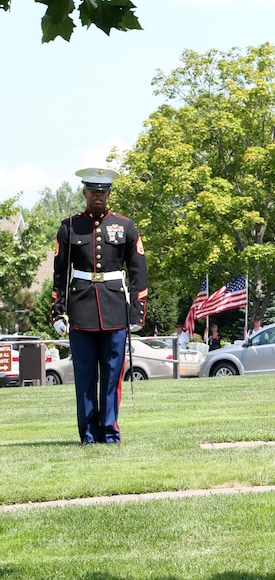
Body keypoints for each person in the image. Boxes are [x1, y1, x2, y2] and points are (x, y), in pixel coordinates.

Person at [51, 167, 147, 445]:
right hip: (80, 310)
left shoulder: (125, 226)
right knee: (84, 376)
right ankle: (89, 434)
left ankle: (109, 430)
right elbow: (59, 274)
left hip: (115, 308)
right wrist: (58, 311)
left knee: (112, 376)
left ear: (109, 193)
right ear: (84, 193)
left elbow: (138, 271)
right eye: (93, 191)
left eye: (103, 191)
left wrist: (138, 311)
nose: (98, 196)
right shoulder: (69, 226)